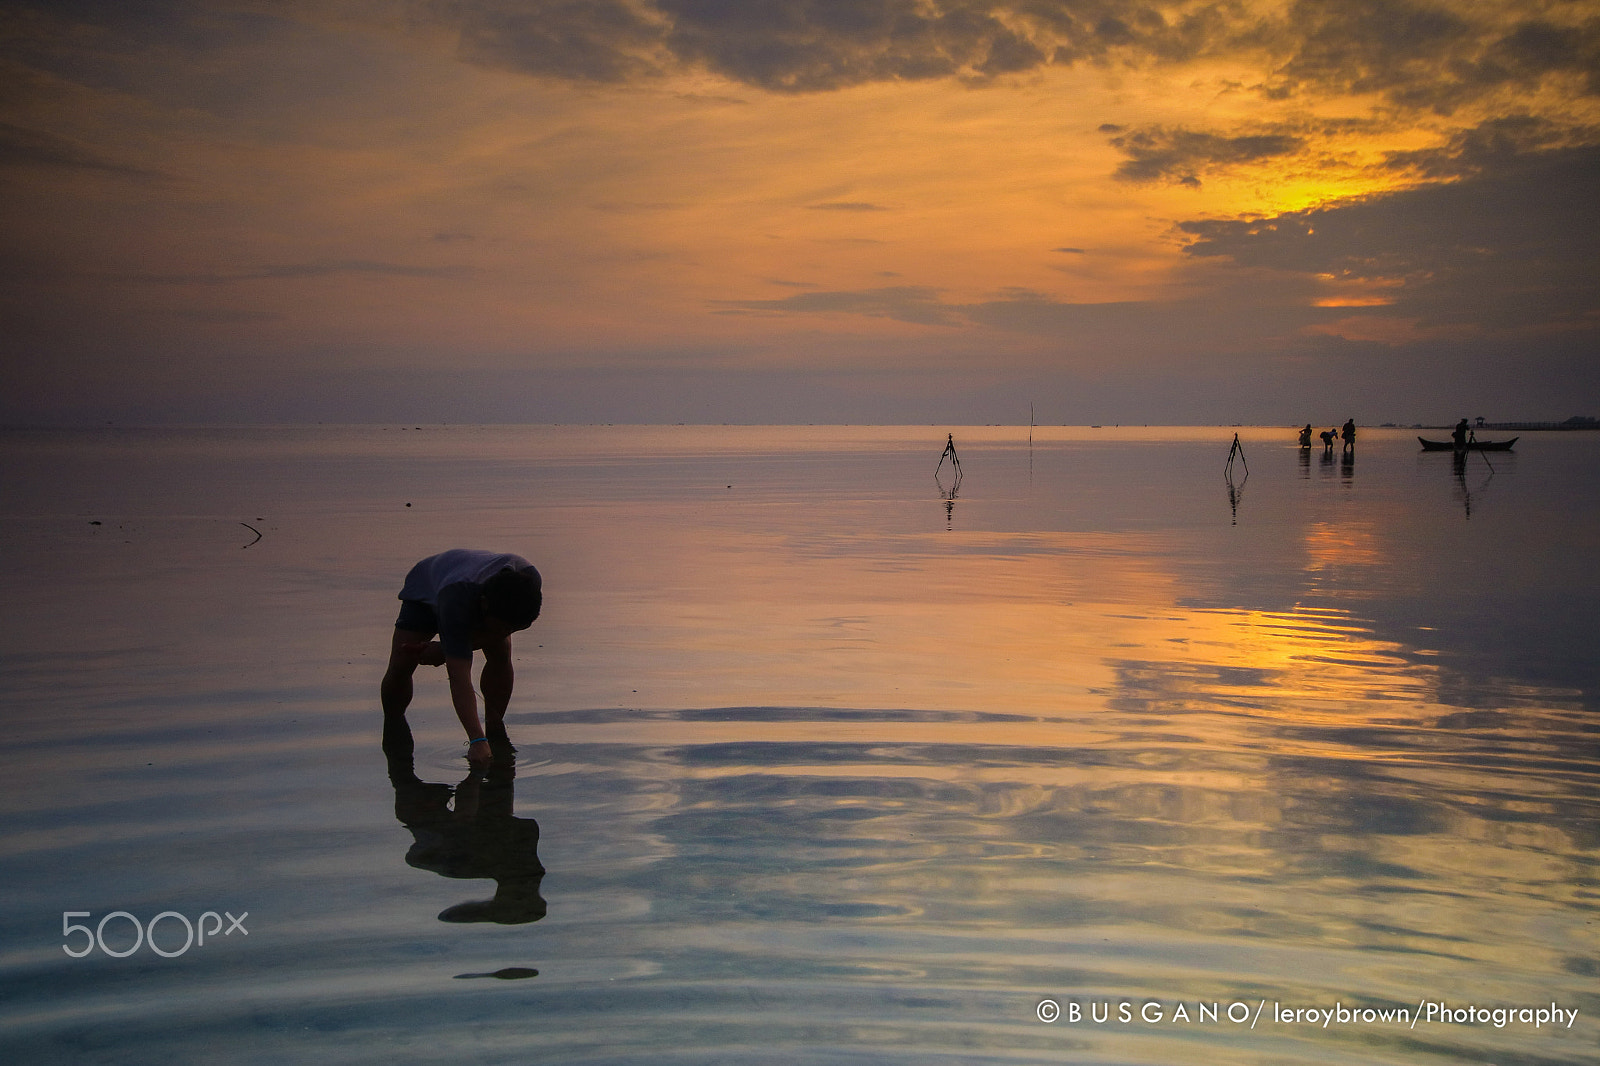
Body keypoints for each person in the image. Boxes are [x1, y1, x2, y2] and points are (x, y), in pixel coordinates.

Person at [381, 549, 541, 765]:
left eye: (514, 627)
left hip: (477, 594)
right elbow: (459, 678)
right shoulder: (456, 598)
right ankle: (394, 729)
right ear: (484, 605)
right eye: (503, 626)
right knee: (402, 664)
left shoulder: (528, 583)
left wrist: (444, 649)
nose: (506, 632)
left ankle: (495, 728)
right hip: (427, 589)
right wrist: (476, 740)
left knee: (501, 651)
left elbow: (498, 631)